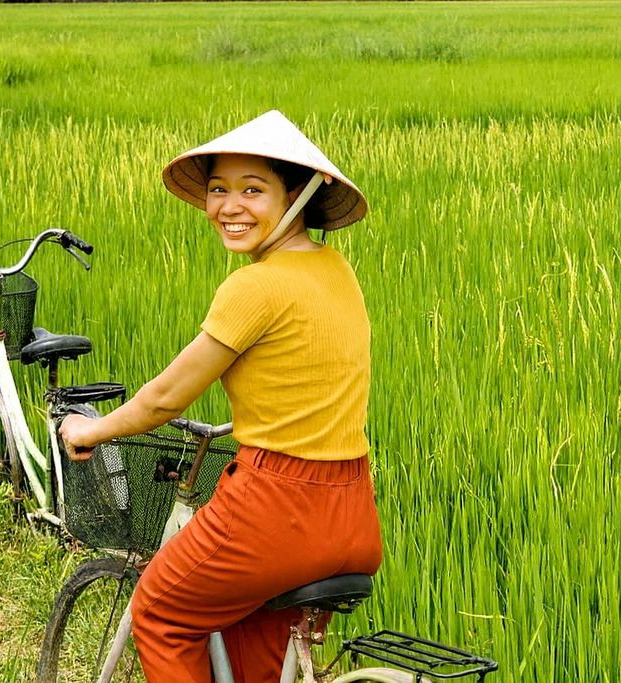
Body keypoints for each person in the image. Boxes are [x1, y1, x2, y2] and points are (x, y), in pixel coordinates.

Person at [59, 110, 382, 682]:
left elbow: (165, 399)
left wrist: (92, 429)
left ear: (298, 195)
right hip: (353, 516)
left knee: (158, 610)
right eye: (218, 190)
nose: (229, 207)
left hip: (276, 511)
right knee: (248, 656)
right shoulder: (338, 270)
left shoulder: (254, 286)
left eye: (253, 190)